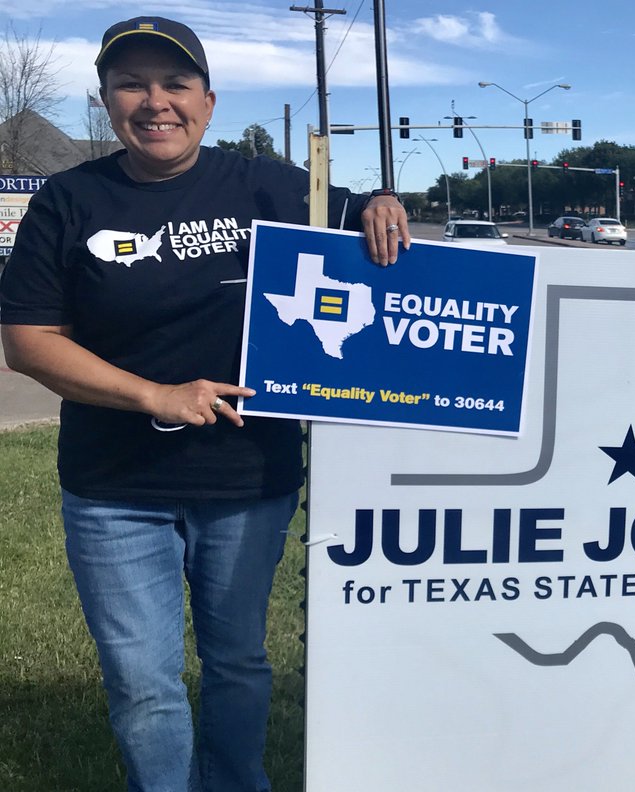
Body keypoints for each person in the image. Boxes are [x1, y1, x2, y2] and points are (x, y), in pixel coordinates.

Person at [0, 15, 409, 792]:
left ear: (209, 101)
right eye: (132, 84)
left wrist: (380, 203)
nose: (156, 102)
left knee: (239, 663)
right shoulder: (69, 199)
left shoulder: (266, 184)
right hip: (115, 488)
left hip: (247, 479)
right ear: (107, 100)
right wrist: (155, 394)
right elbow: (28, 341)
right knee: (145, 688)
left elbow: (358, 214)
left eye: (175, 83)